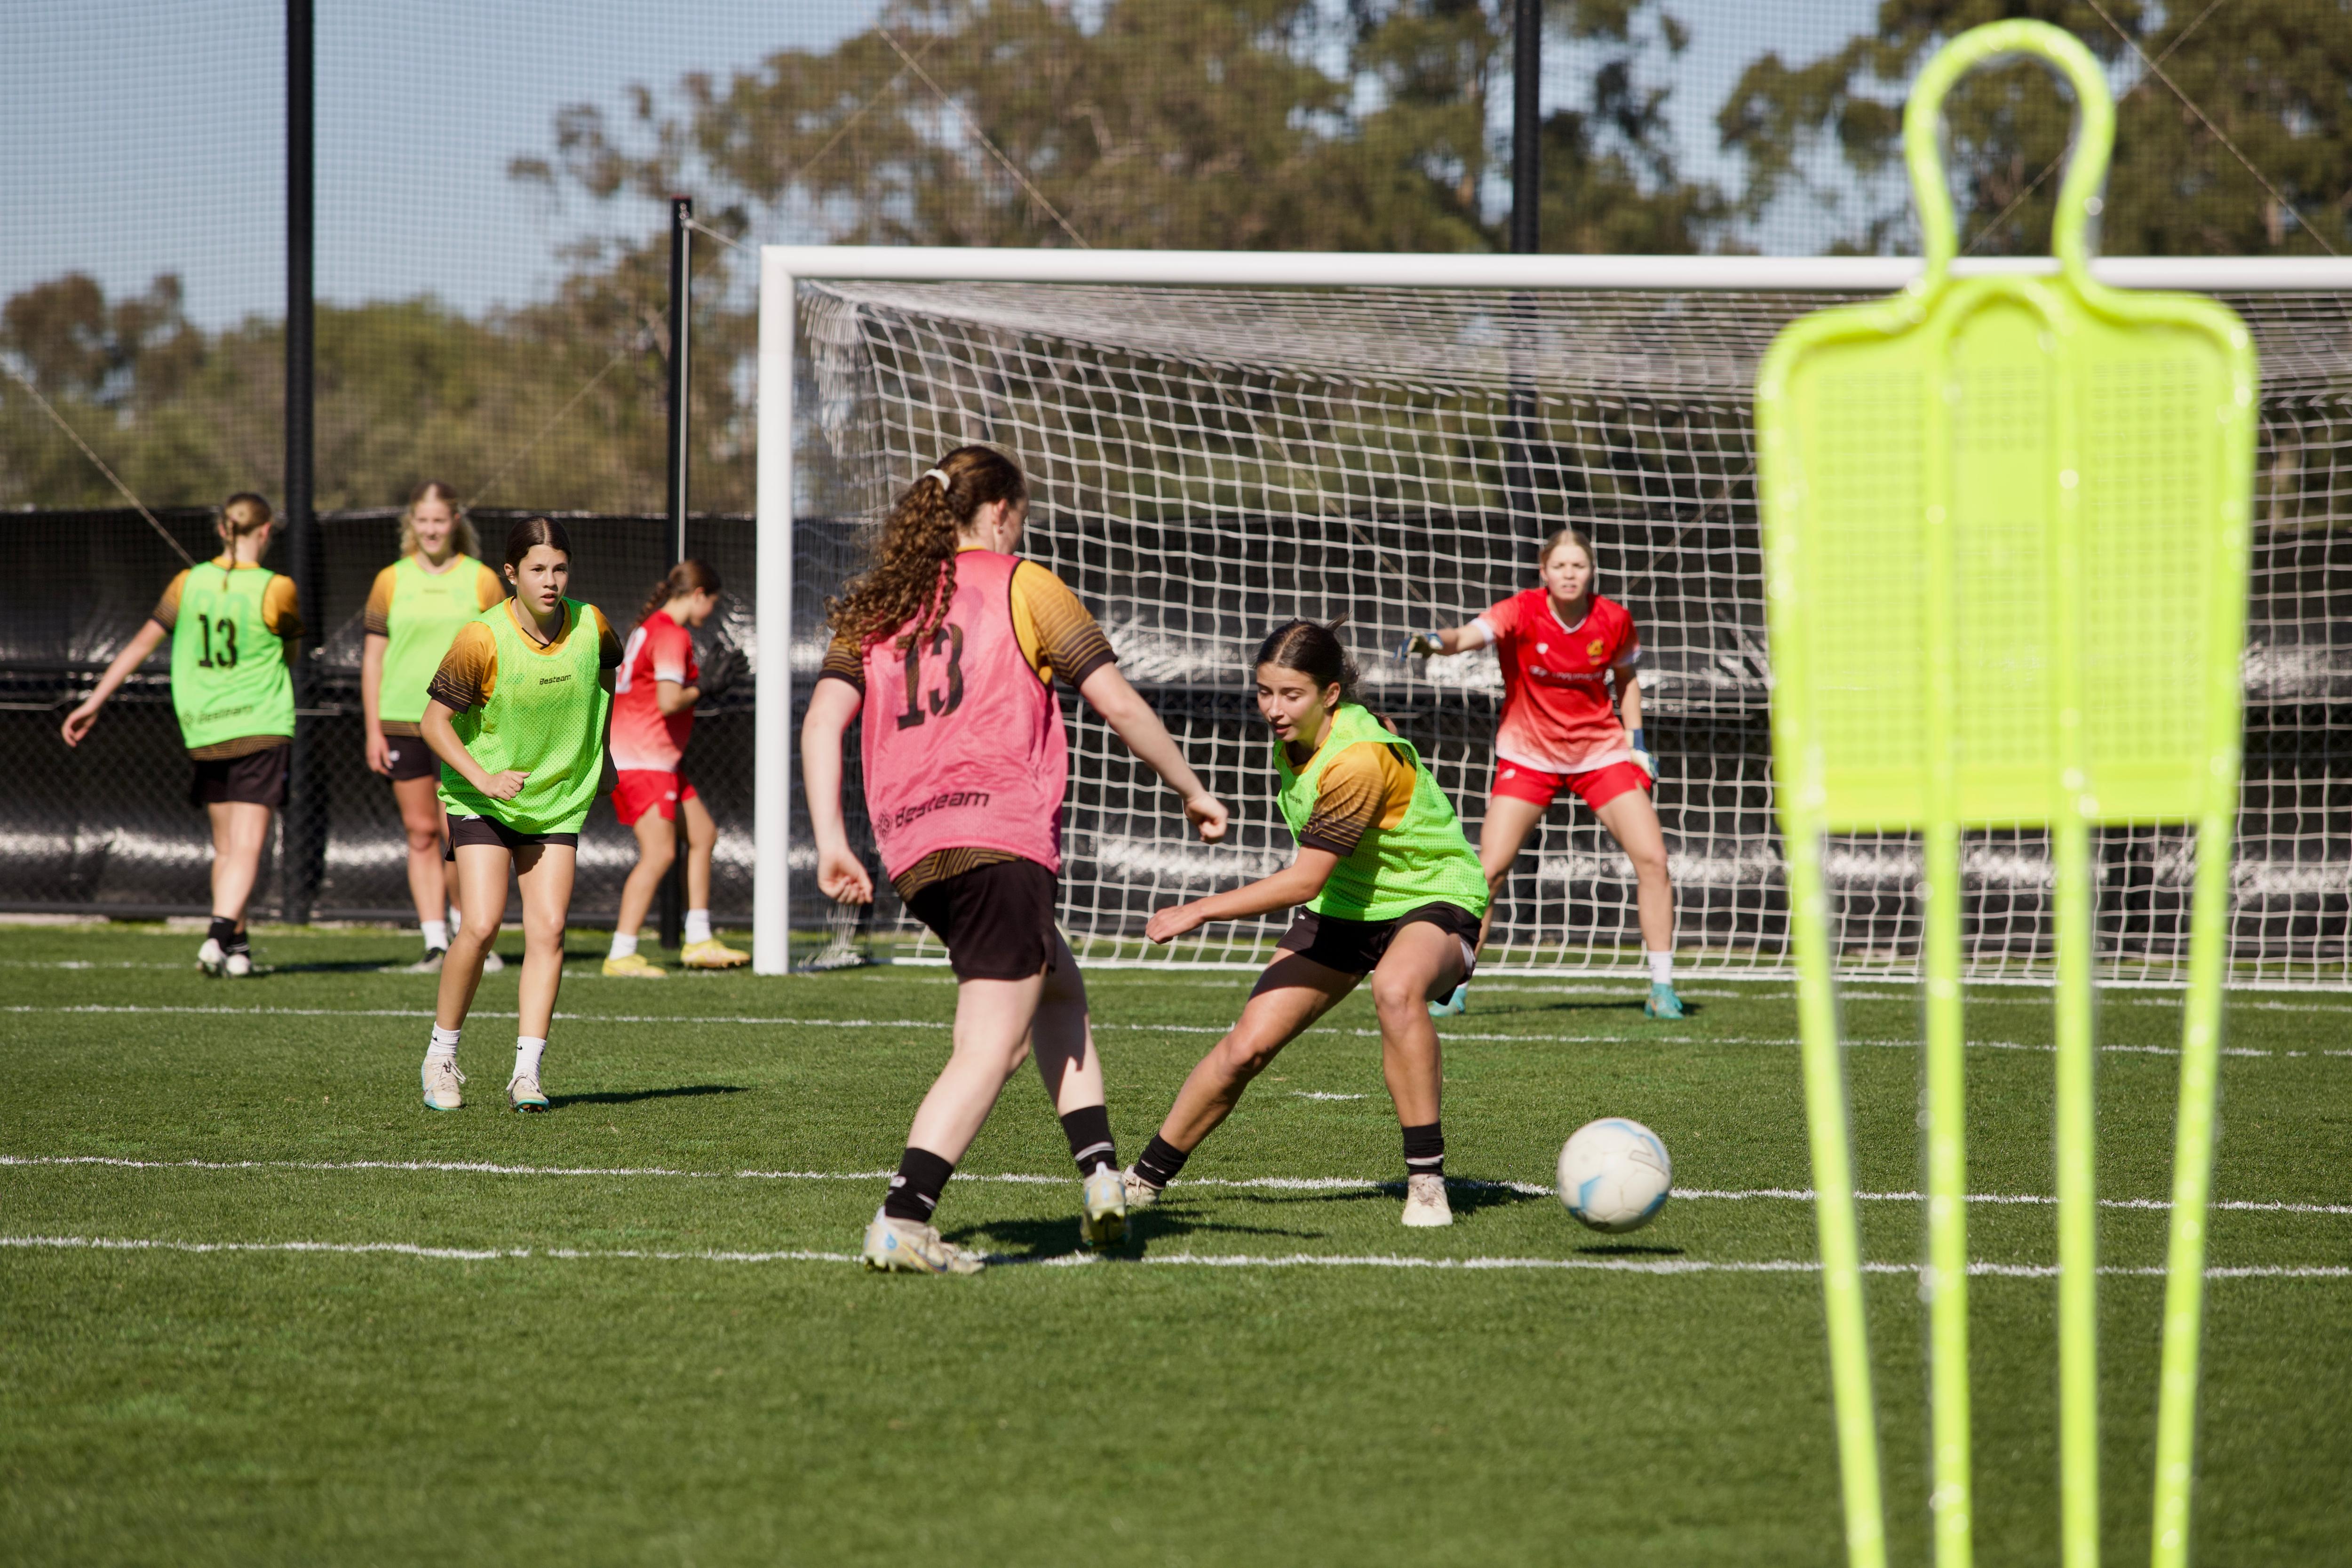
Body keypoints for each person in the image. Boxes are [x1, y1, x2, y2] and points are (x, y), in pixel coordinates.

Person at [802, 444, 1229, 1275]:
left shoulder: (880, 603)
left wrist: (828, 838)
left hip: (915, 848)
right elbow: (1113, 698)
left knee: (1058, 984)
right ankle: (902, 1216)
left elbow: (823, 721)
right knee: (989, 1045)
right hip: (998, 832)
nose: (1022, 525)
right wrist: (1190, 787)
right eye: (1022, 513)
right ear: (998, 511)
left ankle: (1103, 1177)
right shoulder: (1022, 580)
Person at [1127, 621, 1489, 1229]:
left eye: (1290, 694)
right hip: (1348, 903)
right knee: (1247, 1046)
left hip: (1432, 895)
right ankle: (1140, 1181)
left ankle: (1427, 1184)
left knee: (1396, 989)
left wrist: (1197, 909)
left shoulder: (1357, 760)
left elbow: (1302, 882)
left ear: (1329, 695)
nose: (1272, 708)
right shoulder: (1300, 733)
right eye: (1264, 692)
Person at [1400, 527, 1684, 1020]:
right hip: (1528, 757)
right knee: (1485, 871)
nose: (1569, 574)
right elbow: (1466, 636)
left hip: (1600, 755)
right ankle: (1455, 985)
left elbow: (1627, 680)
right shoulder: (1520, 609)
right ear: (1544, 572)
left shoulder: (1613, 619)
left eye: (1578, 566)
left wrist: (1635, 743)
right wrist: (1434, 643)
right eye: (1560, 566)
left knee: (1654, 860)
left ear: (1590, 571)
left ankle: (1662, 989)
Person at [416, 517, 621, 1113]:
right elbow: (432, 724)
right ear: (511, 574)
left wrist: (601, 753)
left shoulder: (593, 625)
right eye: (537, 569)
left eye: (559, 568)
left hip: (557, 797)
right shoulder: (481, 638)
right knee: (480, 925)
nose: (550, 581)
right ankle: (441, 1056)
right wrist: (484, 778)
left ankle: (526, 1074)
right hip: (482, 798)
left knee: (549, 929)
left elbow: (607, 676)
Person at [62, 493, 301, 977]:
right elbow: (291, 653)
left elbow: (140, 644)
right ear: (266, 531)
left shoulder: (188, 582)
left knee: (228, 848)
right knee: (249, 845)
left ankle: (238, 950)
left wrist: (93, 701)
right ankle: (216, 937)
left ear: (220, 530)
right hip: (260, 724)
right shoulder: (277, 588)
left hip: (205, 727)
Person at [361, 480, 507, 973]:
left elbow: (500, 652)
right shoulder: (390, 579)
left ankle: (474, 932)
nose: (430, 529)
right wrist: (372, 730)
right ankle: (434, 942)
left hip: (461, 726)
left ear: (455, 523)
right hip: (402, 721)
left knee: (460, 831)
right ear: (411, 524)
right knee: (420, 831)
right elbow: (374, 659)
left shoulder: (482, 579)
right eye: (421, 521)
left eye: (439, 520)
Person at [603, 559, 748, 976]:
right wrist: (707, 687)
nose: (711, 614)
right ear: (699, 594)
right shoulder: (670, 632)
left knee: (703, 834)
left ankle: (699, 939)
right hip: (644, 760)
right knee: (660, 853)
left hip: (655, 759)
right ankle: (621, 952)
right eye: (712, 604)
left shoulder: (650, 626)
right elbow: (668, 701)